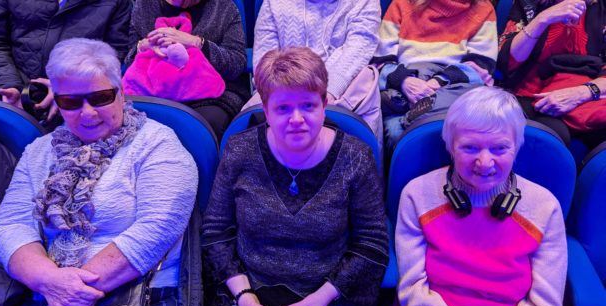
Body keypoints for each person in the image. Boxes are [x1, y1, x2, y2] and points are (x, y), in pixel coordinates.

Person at [0, 38, 198, 306]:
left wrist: (75, 293)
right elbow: (8, 227)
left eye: (101, 98)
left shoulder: (157, 143)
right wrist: (52, 282)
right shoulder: (39, 151)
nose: (87, 113)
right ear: (57, 101)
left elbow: (158, 227)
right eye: (71, 102)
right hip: (50, 295)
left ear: (121, 92)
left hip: (143, 293)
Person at [202, 47, 388, 306]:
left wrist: (324, 297)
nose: (297, 119)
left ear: (324, 104)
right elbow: (216, 232)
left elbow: (371, 246)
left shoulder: (356, 158)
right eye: (283, 108)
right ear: (266, 110)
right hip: (244, 297)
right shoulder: (240, 150)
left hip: (329, 302)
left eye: (308, 105)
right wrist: (242, 292)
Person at [394, 86, 567, 306]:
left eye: (499, 148)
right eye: (470, 147)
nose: (484, 162)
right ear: (450, 146)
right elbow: (414, 292)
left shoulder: (543, 206)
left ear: (517, 146)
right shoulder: (418, 195)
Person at [249, 0, 383, 155]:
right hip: (281, 86)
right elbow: (264, 59)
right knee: (251, 120)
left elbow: (358, 49)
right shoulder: (274, 3)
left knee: (366, 80)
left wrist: (328, 92)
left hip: (342, 91)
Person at [374, 0, 497, 158]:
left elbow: (481, 67)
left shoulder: (483, 9)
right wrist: (405, 81)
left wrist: (437, 82)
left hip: (453, 84)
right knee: (394, 132)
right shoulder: (401, 4)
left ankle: (416, 112)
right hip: (406, 81)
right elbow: (380, 62)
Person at [0, 0, 132, 124]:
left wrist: (65, 88)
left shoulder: (118, 3)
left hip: (79, 97)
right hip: (13, 88)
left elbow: (112, 57)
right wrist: (8, 84)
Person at [126, 0, 250, 140]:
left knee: (205, 125)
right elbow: (128, 58)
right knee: (129, 122)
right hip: (154, 90)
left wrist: (197, 43)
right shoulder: (144, 5)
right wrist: (143, 46)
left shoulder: (225, 8)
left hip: (210, 95)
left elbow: (237, 64)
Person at [498, 0, 606, 148]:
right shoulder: (528, 4)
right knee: (549, 136)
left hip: (589, 93)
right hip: (533, 95)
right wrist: (543, 19)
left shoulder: (602, 8)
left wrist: (585, 92)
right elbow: (507, 62)